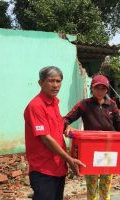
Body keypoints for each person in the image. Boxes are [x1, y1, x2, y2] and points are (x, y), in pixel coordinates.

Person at [64, 74, 120, 200]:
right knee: (92, 187)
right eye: (97, 88)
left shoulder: (112, 104)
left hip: (109, 151)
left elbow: (118, 125)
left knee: (105, 187)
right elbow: (66, 119)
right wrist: (67, 126)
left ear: (107, 89)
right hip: (91, 151)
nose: (100, 91)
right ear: (92, 88)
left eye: (103, 88)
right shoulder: (84, 104)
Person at [24, 66, 85, 200]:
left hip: (58, 167)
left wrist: (68, 128)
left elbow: (58, 125)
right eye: (51, 81)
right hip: (43, 169)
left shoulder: (54, 103)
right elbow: (46, 138)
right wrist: (69, 159)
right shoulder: (36, 105)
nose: (55, 85)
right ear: (40, 83)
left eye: (58, 81)